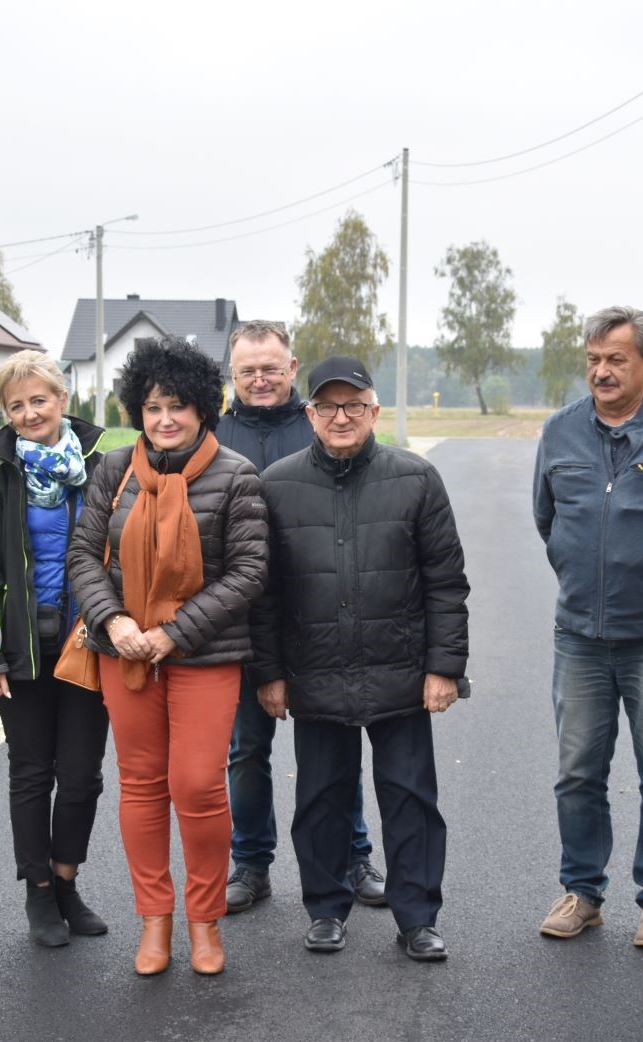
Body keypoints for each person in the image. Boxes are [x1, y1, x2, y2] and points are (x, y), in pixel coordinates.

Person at [249, 356, 469, 962]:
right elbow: (262, 592)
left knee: (410, 799)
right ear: (310, 414)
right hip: (313, 672)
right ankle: (325, 908)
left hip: (400, 672)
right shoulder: (278, 485)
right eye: (327, 406)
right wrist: (268, 673)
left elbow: (446, 581)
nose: (340, 417)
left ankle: (417, 918)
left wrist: (443, 667)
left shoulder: (416, 478)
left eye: (353, 405)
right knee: (320, 798)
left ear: (373, 411)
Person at [65, 336, 267, 977]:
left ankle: (204, 923)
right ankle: (154, 923)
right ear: (138, 410)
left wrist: (173, 632)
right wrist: (114, 618)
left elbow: (249, 572)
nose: (165, 419)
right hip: (124, 654)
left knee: (199, 785)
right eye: (153, 406)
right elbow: (83, 557)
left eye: (178, 405)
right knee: (143, 787)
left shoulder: (235, 475)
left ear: (204, 408)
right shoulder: (114, 470)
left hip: (203, 657)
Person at [531, 305, 643, 948]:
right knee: (577, 773)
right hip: (580, 638)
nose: (602, 371)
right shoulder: (561, 431)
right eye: (593, 360)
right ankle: (582, 891)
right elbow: (549, 521)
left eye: (616, 360)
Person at [219, 320, 384, 915]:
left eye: (271, 368)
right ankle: (251, 864)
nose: (260, 379)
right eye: (247, 370)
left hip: (323, 616)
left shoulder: (320, 423)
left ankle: (353, 856)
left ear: (292, 370)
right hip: (240, 621)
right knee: (246, 750)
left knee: (341, 742)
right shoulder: (214, 435)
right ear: (231, 375)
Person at [0, 350, 111, 948]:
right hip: (21, 649)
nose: (28, 413)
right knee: (31, 772)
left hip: (87, 645)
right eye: (15, 405)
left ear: (62, 400)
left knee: (81, 777)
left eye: (38, 400)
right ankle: (38, 893)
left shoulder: (102, 466)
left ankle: (67, 879)